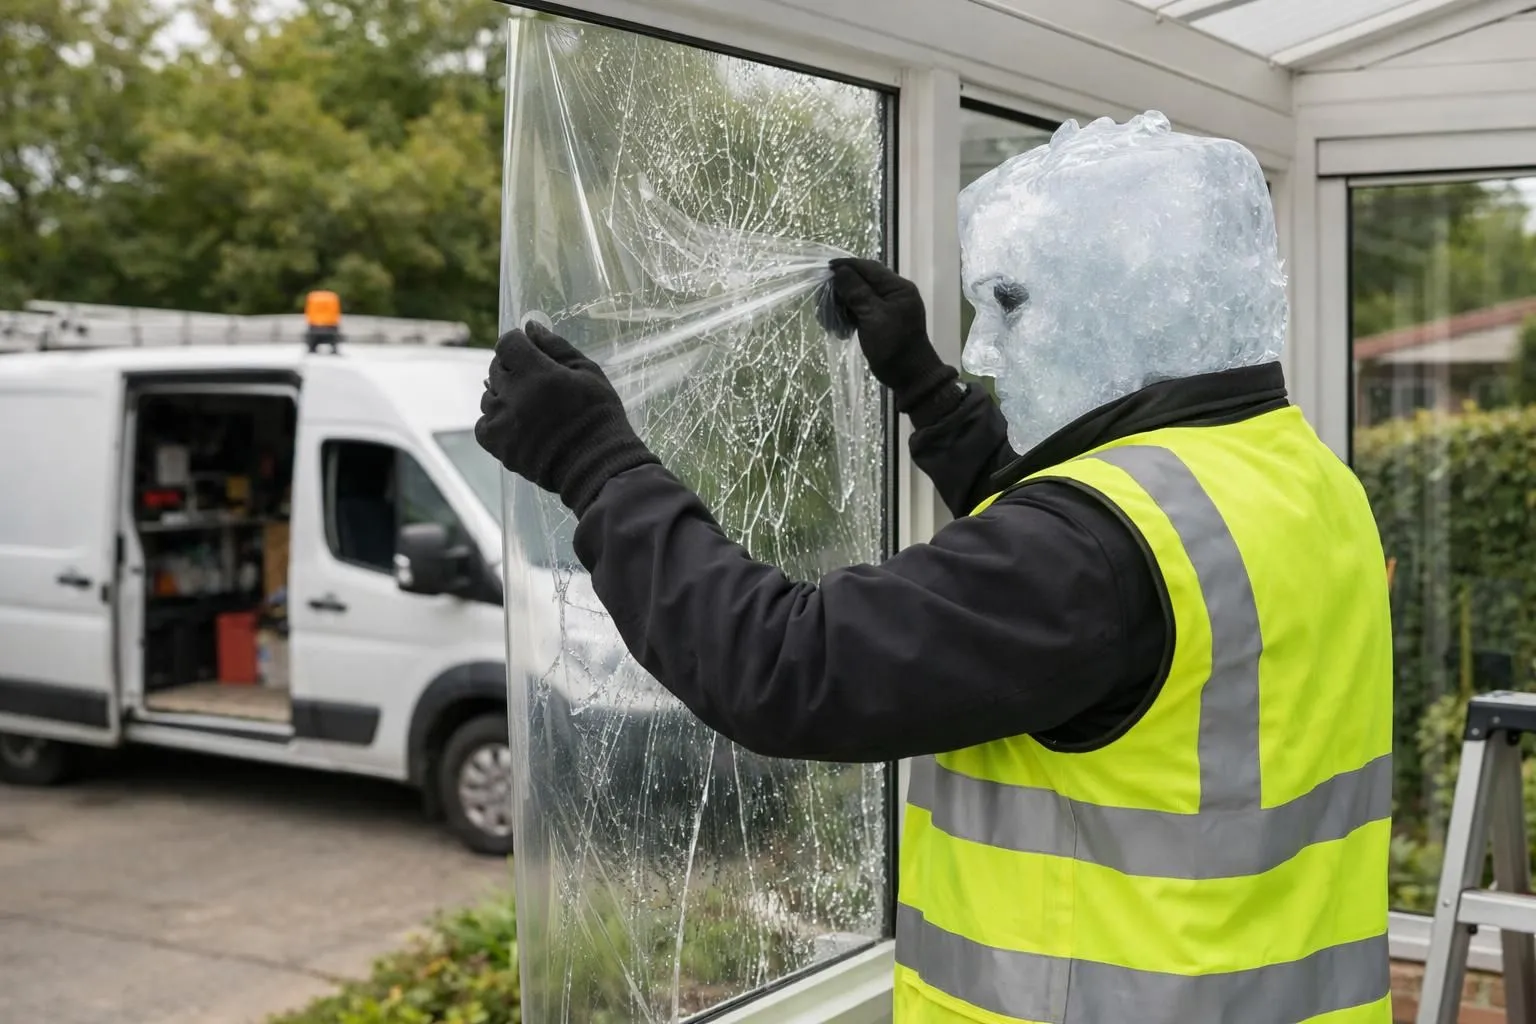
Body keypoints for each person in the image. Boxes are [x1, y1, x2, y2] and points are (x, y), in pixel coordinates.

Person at [476, 112, 1393, 1023]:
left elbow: (789, 667)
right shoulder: (1301, 481)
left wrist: (599, 468)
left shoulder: (1095, 553)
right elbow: (1076, 589)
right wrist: (927, 387)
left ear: (1131, 295)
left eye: (1009, 302)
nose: (987, 347)